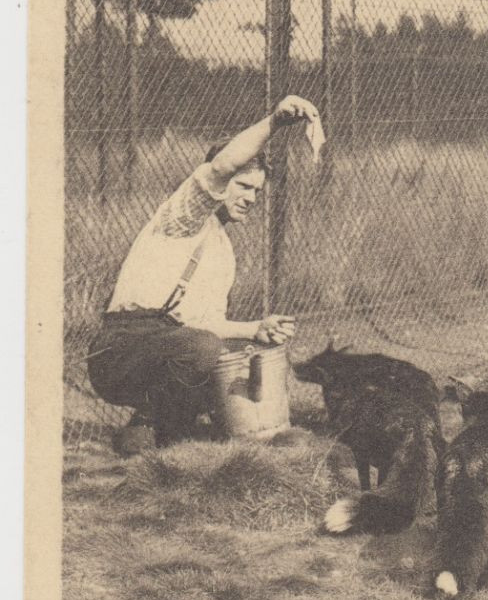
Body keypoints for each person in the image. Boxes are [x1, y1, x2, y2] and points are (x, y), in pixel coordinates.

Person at [88, 95, 320, 449]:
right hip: (119, 350)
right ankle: (160, 430)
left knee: (231, 354)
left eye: (257, 191)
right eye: (243, 186)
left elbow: (208, 322)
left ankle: (159, 435)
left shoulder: (223, 248)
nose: (251, 198)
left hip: (167, 344)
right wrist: (274, 122)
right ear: (222, 184)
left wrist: (256, 329)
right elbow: (222, 166)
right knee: (201, 350)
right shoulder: (183, 217)